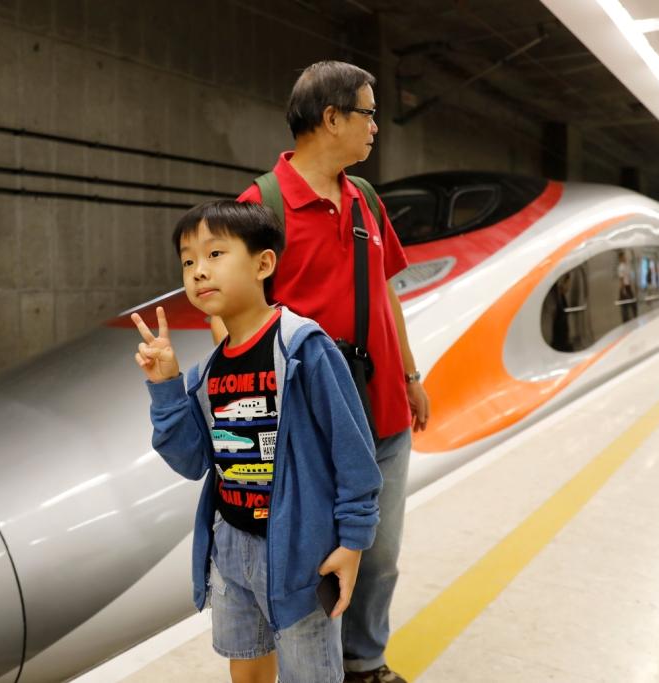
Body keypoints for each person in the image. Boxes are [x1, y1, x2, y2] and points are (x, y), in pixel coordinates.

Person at [214, 61, 431, 683]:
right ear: (331, 118)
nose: (375, 128)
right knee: (315, 561)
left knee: (379, 554)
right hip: (308, 426)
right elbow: (228, 315)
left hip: (382, 409)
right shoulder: (262, 204)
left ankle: (365, 662)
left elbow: (386, 293)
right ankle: (319, 669)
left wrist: (410, 376)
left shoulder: (365, 198)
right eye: (367, 113)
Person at [131, 200, 383, 683]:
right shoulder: (207, 372)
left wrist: (353, 542)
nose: (199, 272)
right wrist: (165, 386)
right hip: (231, 547)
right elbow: (191, 461)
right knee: (245, 668)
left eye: (215, 254)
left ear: (263, 264)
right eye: (188, 261)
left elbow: (353, 452)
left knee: (310, 674)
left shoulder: (303, 349)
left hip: (298, 552)